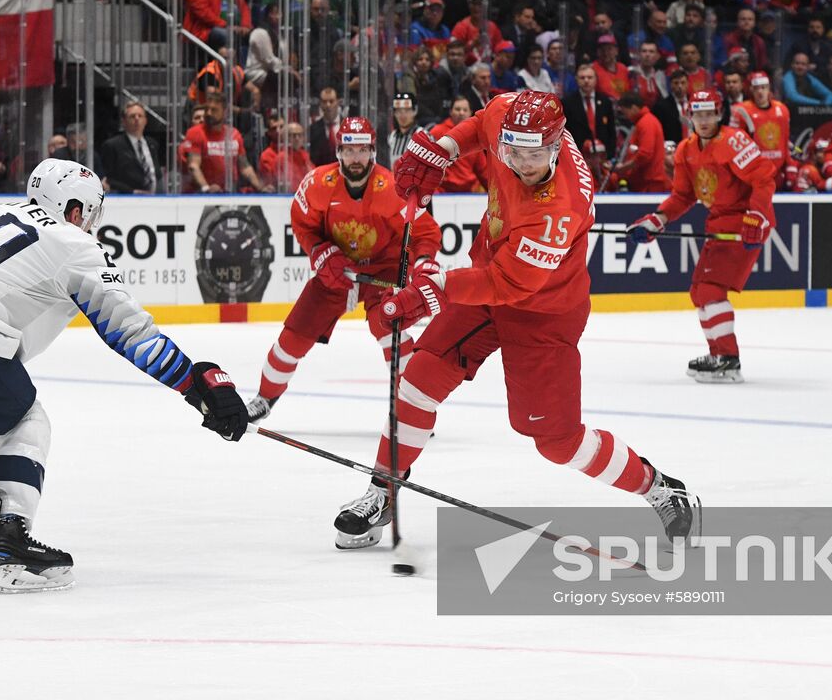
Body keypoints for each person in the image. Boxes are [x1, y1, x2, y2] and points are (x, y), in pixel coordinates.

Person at [0, 159, 248, 591]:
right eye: (90, 214)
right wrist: (196, 382)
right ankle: (11, 537)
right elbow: (129, 332)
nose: (90, 225)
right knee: (25, 419)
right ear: (75, 211)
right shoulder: (72, 241)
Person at [334, 91, 698, 550]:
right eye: (513, 152)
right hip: (486, 282)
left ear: (556, 146)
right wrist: (444, 151)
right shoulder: (512, 117)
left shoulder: (557, 209)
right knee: (418, 378)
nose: (521, 163)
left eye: (533, 155)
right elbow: (482, 122)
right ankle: (383, 489)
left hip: (543, 312)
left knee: (557, 442)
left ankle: (658, 486)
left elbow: (508, 284)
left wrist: (434, 289)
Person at [246, 118, 441, 423]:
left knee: (394, 335)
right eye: (349, 150)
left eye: (362, 150)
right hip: (336, 270)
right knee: (293, 337)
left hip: (384, 271)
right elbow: (302, 223)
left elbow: (424, 232)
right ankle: (264, 397)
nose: (355, 158)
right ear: (337, 151)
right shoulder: (317, 184)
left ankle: (413, 412)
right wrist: (319, 251)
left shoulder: (391, 187)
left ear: (373, 151)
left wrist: (424, 260)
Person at [628, 88, 776, 383]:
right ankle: (718, 354)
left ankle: (727, 358)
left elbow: (763, 178)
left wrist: (757, 215)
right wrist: (658, 219)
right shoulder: (686, 150)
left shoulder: (734, 141)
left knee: (710, 291)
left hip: (744, 221)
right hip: (719, 224)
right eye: (699, 114)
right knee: (699, 292)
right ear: (690, 115)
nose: (704, 120)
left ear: (720, 114)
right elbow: (683, 196)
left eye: (710, 113)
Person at [183, 91, 264, 193]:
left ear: (225, 112)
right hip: (201, 195)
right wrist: (206, 188)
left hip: (230, 192)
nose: (208, 113)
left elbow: (245, 167)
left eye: (214, 110)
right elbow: (193, 166)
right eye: (207, 109)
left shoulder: (234, 134)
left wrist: (260, 188)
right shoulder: (195, 132)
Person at [737, 72, 798, 190]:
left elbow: (785, 141)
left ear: (769, 88)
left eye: (763, 88)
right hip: (753, 174)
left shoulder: (782, 110)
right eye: (756, 88)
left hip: (778, 173)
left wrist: (790, 165)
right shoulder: (742, 111)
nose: (760, 92)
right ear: (751, 90)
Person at [613, 92, 670, 192]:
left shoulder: (646, 123)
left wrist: (624, 167)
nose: (626, 117)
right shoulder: (644, 122)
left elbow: (645, 154)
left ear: (634, 108)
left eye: (626, 112)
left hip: (650, 182)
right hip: (646, 180)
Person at [98, 101, 158, 194]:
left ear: (146, 120)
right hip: (127, 199)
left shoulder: (152, 144)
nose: (137, 119)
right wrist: (131, 191)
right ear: (123, 121)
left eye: (140, 116)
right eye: (132, 116)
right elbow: (107, 178)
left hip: (156, 198)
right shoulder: (112, 145)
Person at [562, 63, 615, 157]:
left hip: (602, 156)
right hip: (577, 155)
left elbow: (611, 131)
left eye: (590, 77)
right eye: (582, 78)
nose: (586, 81)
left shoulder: (605, 102)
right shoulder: (567, 103)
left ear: (596, 80)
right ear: (577, 80)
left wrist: (610, 155)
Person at [259, 120, 312, 192]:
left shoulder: (305, 155)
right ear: (286, 137)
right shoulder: (281, 157)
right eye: (293, 135)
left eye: (300, 135)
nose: (297, 138)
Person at [384, 92, 428, 167]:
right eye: (398, 111)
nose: (402, 115)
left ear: (415, 111)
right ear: (394, 113)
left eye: (407, 110)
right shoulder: (392, 136)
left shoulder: (423, 135)